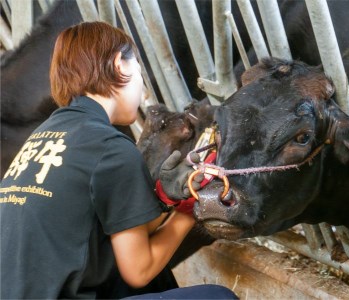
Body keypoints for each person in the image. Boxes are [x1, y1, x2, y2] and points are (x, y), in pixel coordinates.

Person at [0, 21, 237, 299]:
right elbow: (139, 270)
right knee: (217, 297)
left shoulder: (47, 134)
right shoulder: (110, 148)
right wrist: (187, 209)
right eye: (138, 70)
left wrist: (164, 200)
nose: (142, 91)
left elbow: (118, 231)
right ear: (119, 65)